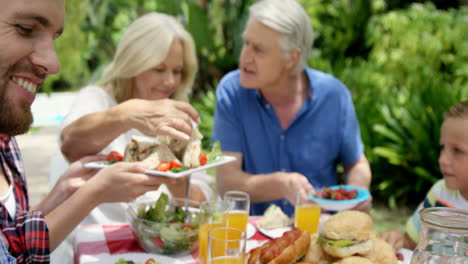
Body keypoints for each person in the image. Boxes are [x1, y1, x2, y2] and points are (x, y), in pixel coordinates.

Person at [0, 0, 176, 263]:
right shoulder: (98, 98)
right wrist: (93, 193)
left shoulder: (6, 142)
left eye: (178, 71)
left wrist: (59, 195)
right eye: (26, 29)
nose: (54, 63)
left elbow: (10, 245)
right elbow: (70, 140)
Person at [212, 0, 372, 217]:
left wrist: (358, 192)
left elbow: (356, 162)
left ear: (291, 58)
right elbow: (226, 182)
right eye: (246, 43)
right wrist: (280, 184)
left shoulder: (334, 96)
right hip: (255, 238)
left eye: (258, 49)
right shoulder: (232, 92)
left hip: (321, 233)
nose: (245, 57)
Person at [59, 12, 211, 204]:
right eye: (159, 69)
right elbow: (69, 145)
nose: (170, 81)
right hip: (98, 232)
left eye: (177, 71)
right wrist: (129, 114)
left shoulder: (179, 118)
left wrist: (180, 186)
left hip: (160, 232)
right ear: (134, 64)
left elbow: (205, 200)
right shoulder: (97, 99)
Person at [379, 100, 468, 251]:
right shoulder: (439, 194)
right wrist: (397, 239)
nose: (443, 160)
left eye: (457, 151)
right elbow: (412, 242)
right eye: (442, 148)